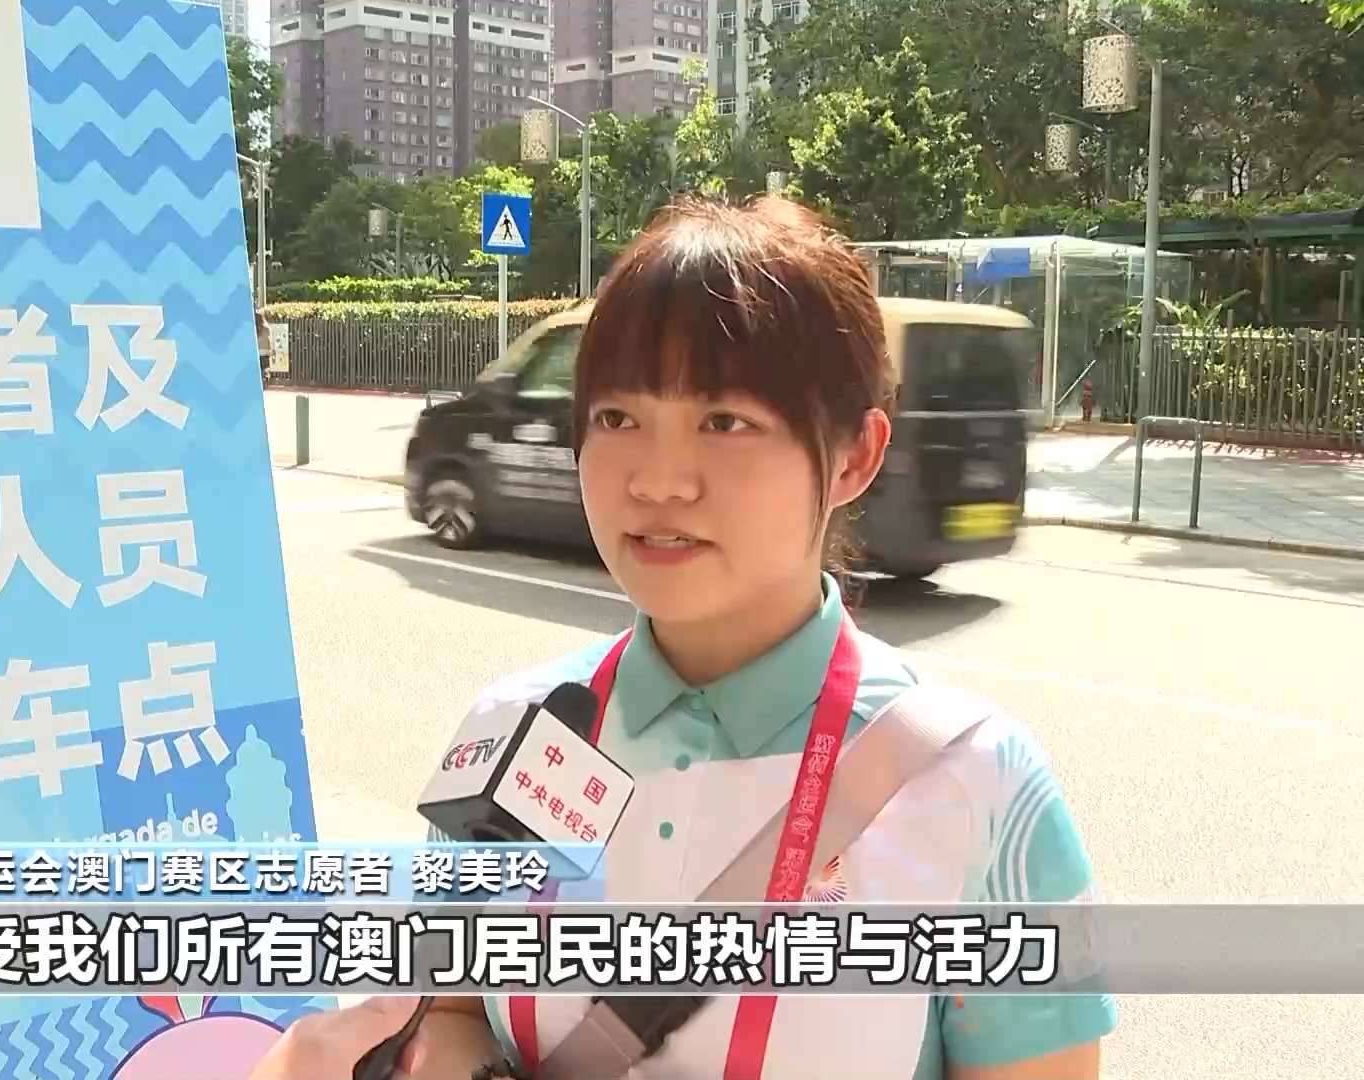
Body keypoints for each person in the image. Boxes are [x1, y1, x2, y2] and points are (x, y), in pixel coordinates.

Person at [247, 195, 1116, 1079]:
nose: (659, 481)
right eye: (618, 418)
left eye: (725, 421)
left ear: (854, 456)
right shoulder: (512, 733)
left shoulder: (980, 787)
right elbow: (449, 1014)